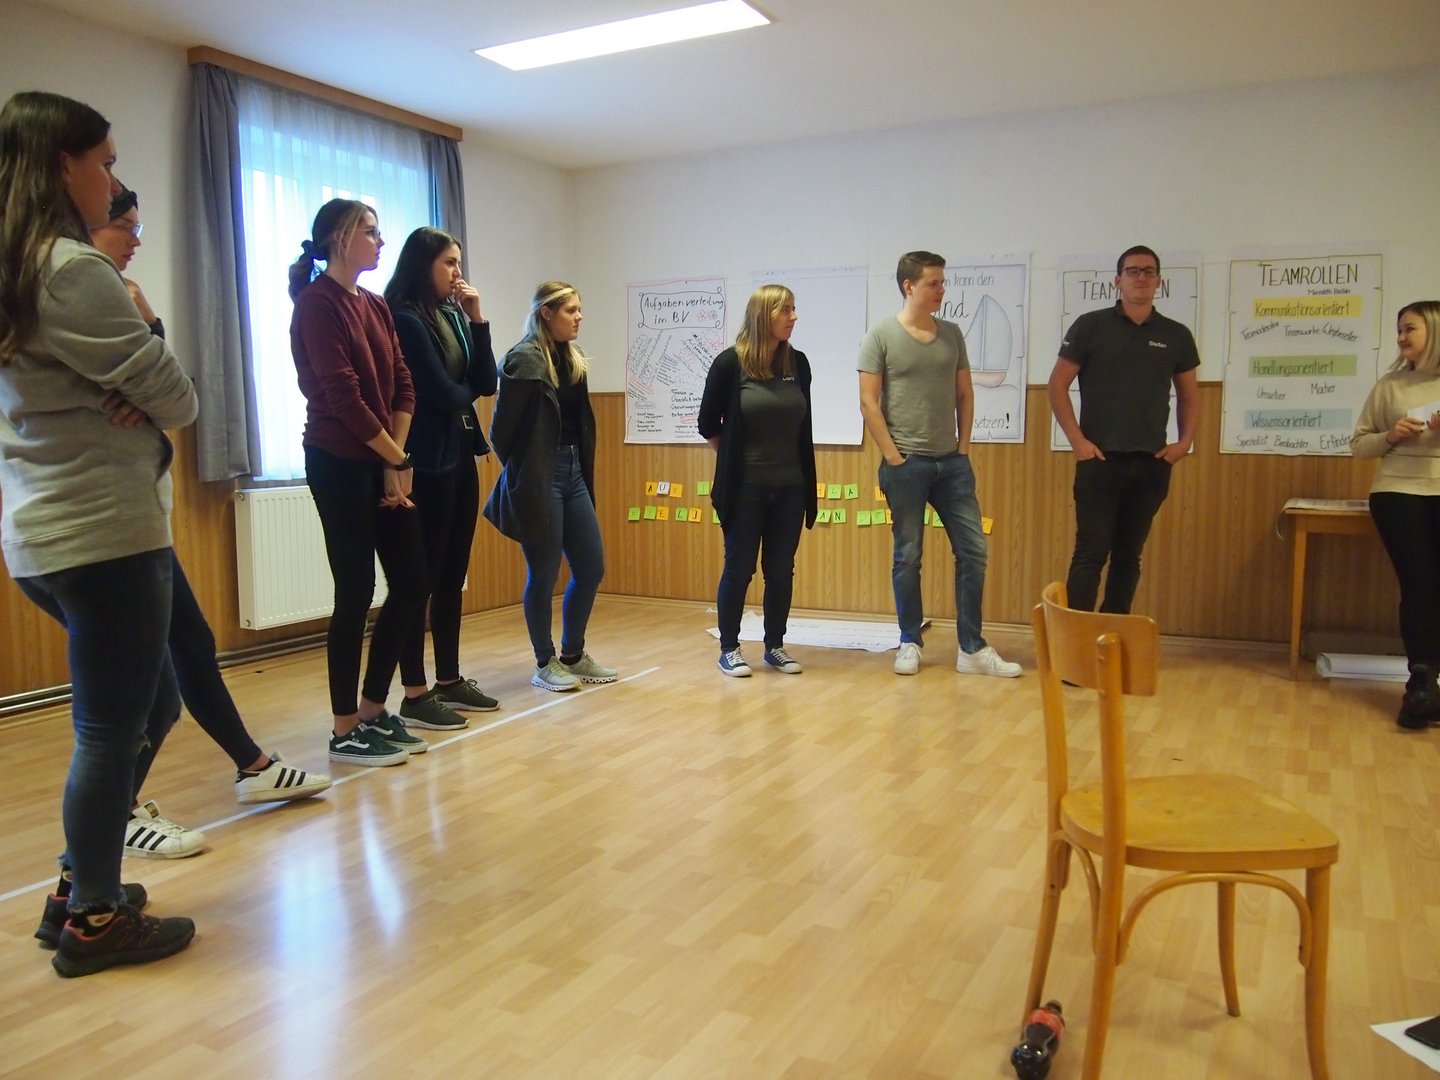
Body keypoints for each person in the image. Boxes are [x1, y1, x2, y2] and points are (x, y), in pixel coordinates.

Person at [0, 90, 196, 975]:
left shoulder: (15, 267)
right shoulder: (72, 271)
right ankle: (92, 918)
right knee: (112, 728)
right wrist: (146, 364)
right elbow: (178, 397)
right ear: (62, 166)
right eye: (106, 163)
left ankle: (83, 882)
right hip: (103, 533)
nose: (114, 184)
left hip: (45, 533)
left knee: (151, 704)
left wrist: (136, 390)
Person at [85, 186, 330, 864]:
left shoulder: (122, 297)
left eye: (139, 224)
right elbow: (157, 392)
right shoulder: (76, 298)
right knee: (148, 693)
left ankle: (251, 766)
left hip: (139, 515)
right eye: (122, 225)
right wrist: (150, 354)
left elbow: (169, 395)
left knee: (186, 651)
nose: (136, 238)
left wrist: (152, 328)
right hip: (100, 522)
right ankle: (107, 830)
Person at [289, 198, 432, 764]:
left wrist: (395, 457)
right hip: (338, 460)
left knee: (413, 581)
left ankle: (374, 708)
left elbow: (402, 383)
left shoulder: (374, 305)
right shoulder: (316, 304)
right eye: (370, 231)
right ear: (338, 238)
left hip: (381, 457)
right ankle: (344, 727)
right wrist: (395, 458)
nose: (379, 241)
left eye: (378, 231)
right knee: (355, 591)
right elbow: (343, 396)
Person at [858, 251, 1020, 678]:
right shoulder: (881, 336)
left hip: (952, 464)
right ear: (909, 286)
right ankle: (909, 641)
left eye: (942, 283)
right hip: (906, 465)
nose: (941, 290)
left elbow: (965, 393)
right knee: (908, 556)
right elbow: (868, 402)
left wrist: (963, 448)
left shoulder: (952, 334)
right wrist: (893, 456)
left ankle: (972, 648)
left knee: (973, 550)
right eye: (933, 283)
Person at [383, 227, 500, 723]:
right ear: (423, 264)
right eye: (449, 262)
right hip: (423, 462)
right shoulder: (405, 318)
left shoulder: (452, 314)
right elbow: (443, 392)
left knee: (452, 574)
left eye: (458, 262)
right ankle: (415, 692)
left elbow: (487, 382)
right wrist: (464, 389)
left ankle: (449, 680)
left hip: (460, 454)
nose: (457, 272)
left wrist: (477, 319)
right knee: (420, 579)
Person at [1048, 245, 1199, 614]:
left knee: (1129, 558)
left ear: (1159, 281)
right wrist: (1078, 442)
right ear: (1118, 280)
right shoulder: (1090, 326)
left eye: (1148, 271)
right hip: (1100, 460)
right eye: (1133, 271)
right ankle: (1077, 638)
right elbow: (1056, 386)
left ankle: (1113, 631)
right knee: (1090, 554)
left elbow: (1189, 396)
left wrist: (1184, 443)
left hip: (1151, 463)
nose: (1141, 277)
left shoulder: (1176, 335)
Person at [483, 281, 615, 692]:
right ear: (546, 313)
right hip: (540, 478)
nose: (579, 317)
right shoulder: (524, 360)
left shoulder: (572, 358)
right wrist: (529, 472)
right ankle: (545, 661)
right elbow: (500, 433)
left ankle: (573, 655)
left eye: (579, 310)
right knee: (543, 574)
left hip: (573, 472)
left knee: (590, 566)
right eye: (570, 310)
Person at [698, 284, 816, 677]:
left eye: (794, 309)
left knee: (781, 570)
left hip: (791, 486)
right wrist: (734, 461)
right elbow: (707, 424)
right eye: (786, 310)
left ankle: (774, 645)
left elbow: (803, 424)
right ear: (764, 315)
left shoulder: (798, 363)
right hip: (745, 488)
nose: (793, 317)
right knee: (739, 568)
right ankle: (729, 648)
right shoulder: (729, 364)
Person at [1350, 300, 1440, 730]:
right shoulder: (1390, 386)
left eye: (1410, 329)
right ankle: (1420, 684)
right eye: (1399, 330)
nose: (1401, 337)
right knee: (1419, 587)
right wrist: (1391, 435)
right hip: (1399, 492)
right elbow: (1359, 445)